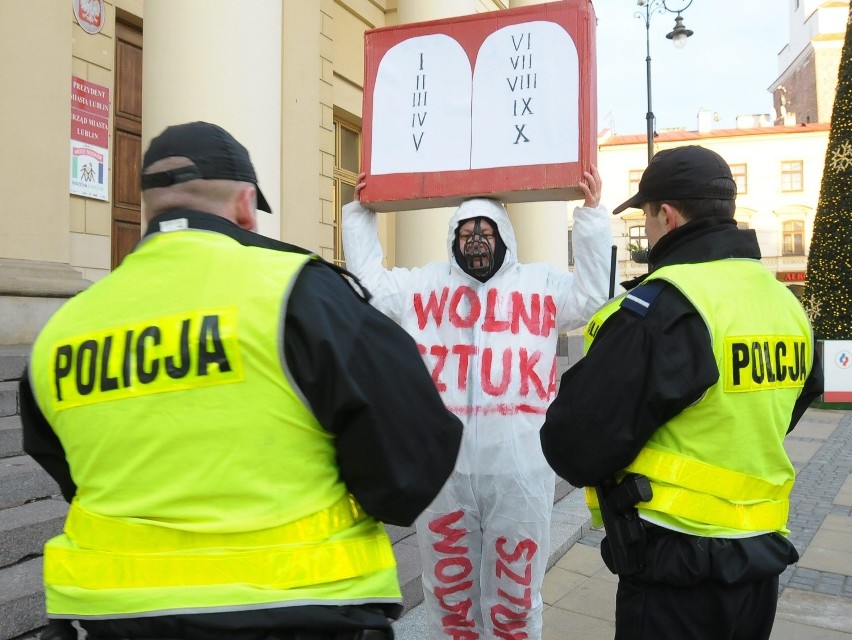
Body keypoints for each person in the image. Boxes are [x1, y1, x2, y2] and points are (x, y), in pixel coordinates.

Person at [21, 121, 464, 640]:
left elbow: (68, 469)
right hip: (301, 612)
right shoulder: (298, 292)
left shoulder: (62, 329)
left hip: (113, 617)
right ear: (246, 203)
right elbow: (412, 457)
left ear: (148, 206)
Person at [540, 145, 824, 640]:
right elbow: (792, 400)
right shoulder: (783, 302)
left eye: (644, 218)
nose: (645, 232)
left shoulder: (665, 309)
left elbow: (573, 442)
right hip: (759, 561)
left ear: (666, 216)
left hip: (677, 567)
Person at [342, 168, 615, 640]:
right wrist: (361, 212)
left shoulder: (541, 285)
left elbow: (592, 297)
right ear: (452, 239)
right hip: (444, 470)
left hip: (520, 468)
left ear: (505, 238)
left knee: (516, 591)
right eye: (467, 233)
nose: (476, 242)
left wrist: (590, 216)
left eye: (486, 232)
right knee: (448, 590)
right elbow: (369, 283)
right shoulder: (423, 286)